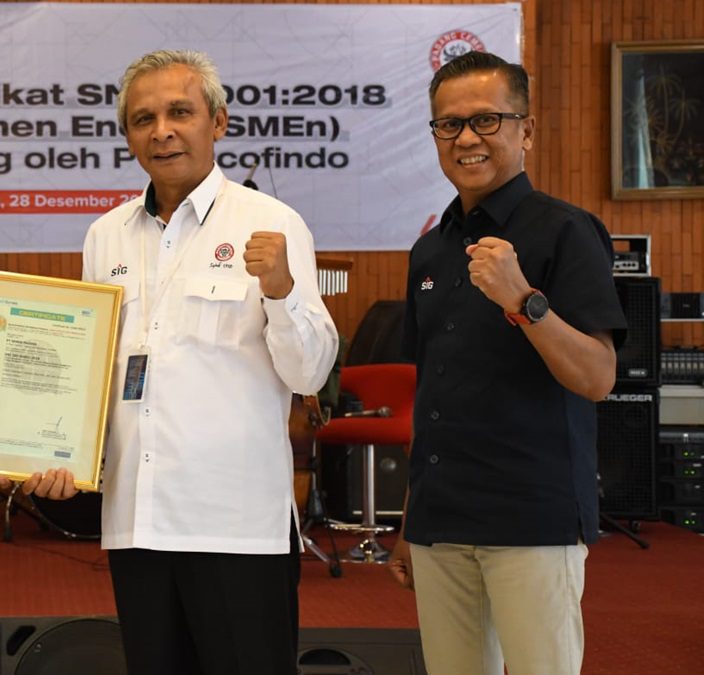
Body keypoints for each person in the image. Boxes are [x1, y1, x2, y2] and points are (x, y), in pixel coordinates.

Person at [77, 49, 339, 674]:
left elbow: (309, 374)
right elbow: (90, 372)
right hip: (137, 520)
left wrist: (280, 290)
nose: (161, 131)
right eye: (143, 119)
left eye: (180, 113)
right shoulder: (105, 236)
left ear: (217, 122)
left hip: (235, 526)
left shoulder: (272, 223)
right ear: (128, 135)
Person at [389, 51, 628, 675]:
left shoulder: (566, 232)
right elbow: (431, 394)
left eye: (486, 120)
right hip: (441, 520)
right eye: (449, 124)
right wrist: (413, 519)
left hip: (532, 517)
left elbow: (597, 378)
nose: (466, 138)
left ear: (526, 130)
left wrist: (523, 301)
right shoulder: (428, 251)